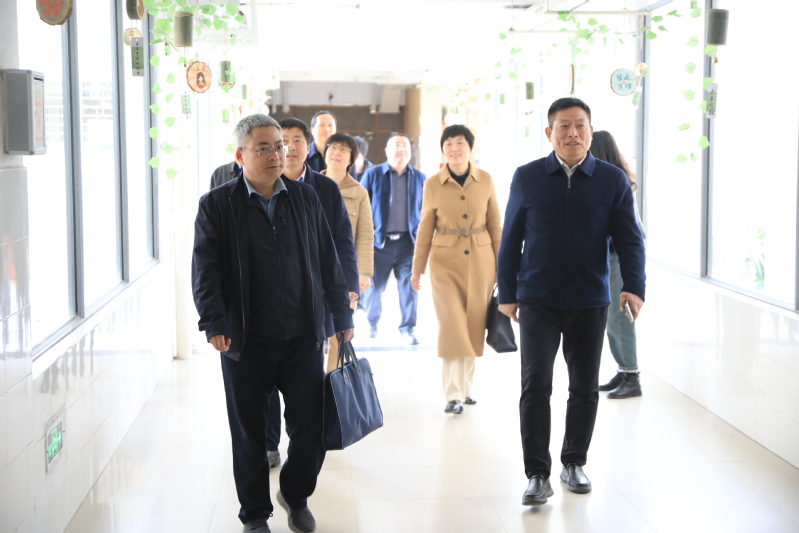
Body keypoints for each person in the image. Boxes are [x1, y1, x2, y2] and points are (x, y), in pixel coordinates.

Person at [192, 114, 354, 533]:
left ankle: (295, 495)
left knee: (311, 426)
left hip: (301, 336)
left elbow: (329, 261)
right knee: (249, 434)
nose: (276, 155)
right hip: (244, 341)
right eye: (263, 148)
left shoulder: (305, 197)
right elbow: (205, 269)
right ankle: (254, 515)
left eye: (279, 146)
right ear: (240, 155)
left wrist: (341, 316)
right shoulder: (218, 204)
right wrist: (214, 322)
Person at [496, 98, 646, 506]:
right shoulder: (527, 176)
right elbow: (510, 238)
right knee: (535, 387)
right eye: (564, 126)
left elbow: (630, 238)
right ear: (550, 133)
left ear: (591, 132)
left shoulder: (611, 180)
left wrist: (634, 285)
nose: (573, 133)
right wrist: (507, 293)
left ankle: (574, 462)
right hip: (537, 300)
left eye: (580, 125)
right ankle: (536, 474)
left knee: (584, 387)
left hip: (590, 300)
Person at [261, 117, 360, 468]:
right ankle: (269, 443)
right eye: (282, 140)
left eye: (297, 140)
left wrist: (348, 288)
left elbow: (342, 243)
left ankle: (302, 446)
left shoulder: (325, 188)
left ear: (309, 146)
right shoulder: (261, 187)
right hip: (269, 303)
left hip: (313, 299)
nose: (289, 147)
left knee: (305, 379)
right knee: (266, 381)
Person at [410, 125, 502, 414]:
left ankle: (466, 388)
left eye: (460, 142)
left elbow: (495, 225)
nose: (454, 148)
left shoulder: (486, 180)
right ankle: (453, 394)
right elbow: (425, 228)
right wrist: (417, 269)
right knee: (452, 326)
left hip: (481, 259)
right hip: (444, 262)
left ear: (470, 147)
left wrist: (503, 266)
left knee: (474, 323)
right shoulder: (433, 184)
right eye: (448, 143)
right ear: (443, 150)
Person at [591, 130, 646, 399]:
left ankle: (631, 376)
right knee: (612, 316)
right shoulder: (613, 178)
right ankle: (624, 370)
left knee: (619, 316)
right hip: (611, 255)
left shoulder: (614, 181)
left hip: (617, 256)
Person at [360, 133, 426, 344]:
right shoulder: (373, 175)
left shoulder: (420, 178)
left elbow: (427, 212)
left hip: (408, 243)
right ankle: (372, 323)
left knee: (409, 286)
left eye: (405, 146)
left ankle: (407, 328)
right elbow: (361, 208)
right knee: (374, 287)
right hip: (379, 243)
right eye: (396, 145)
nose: (401, 150)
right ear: (387, 151)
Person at [320, 132, 375, 370]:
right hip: (312, 271)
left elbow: (365, 235)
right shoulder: (309, 185)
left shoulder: (359, 192)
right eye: (332, 147)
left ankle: (332, 383)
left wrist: (363, 273)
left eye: (344, 149)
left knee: (339, 334)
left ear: (352, 158)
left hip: (344, 274)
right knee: (312, 335)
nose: (337, 153)